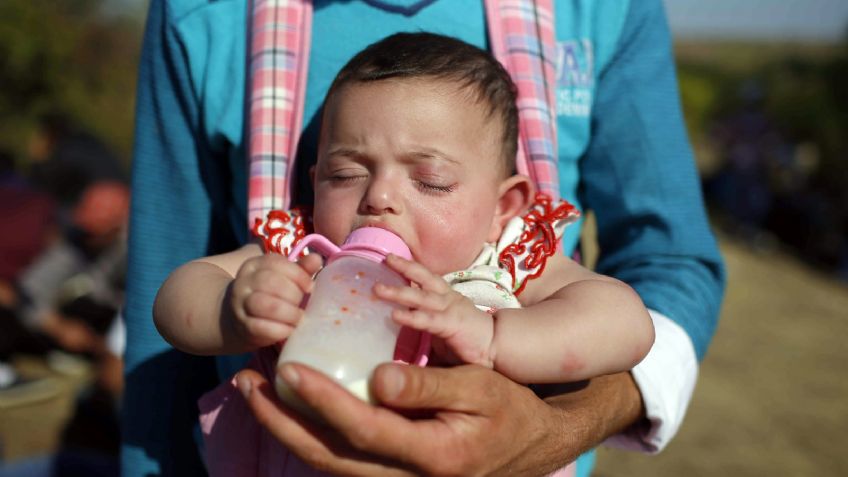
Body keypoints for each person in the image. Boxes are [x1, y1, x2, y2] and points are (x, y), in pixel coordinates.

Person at [125, 1, 725, 476]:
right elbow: (173, 293)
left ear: (503, 207)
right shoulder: (305, 250)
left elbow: (627, 321)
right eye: (345, 172)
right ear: (314, 180)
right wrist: (234, 308)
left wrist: (493, 337)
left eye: (431, 180)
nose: (378, 197)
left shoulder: (507, 259)